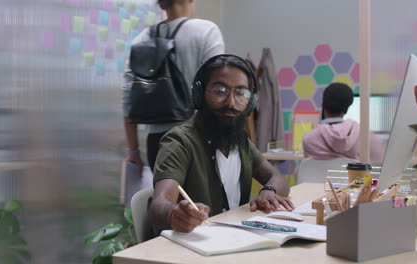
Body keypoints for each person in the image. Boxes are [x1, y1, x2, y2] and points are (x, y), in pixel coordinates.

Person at [149, 54, 294, 234]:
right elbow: (159, 203)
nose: (231, 102)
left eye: (240, 93)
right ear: (199, 95)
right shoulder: (180, 141)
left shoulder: (240, 141)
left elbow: (278, 178)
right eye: (220, 91)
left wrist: (269, 190)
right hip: (192, 249)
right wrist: (173, 213)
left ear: (250, 102)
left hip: (235, 240)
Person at [122, 0, 225, 172]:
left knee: (164, 198)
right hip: (199, 138)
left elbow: (127, 98)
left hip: (157, 142)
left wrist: (134, 151)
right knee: (200, 199)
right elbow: (219, 88)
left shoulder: (142, 39)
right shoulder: (206, 31)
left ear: (161, 5)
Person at [303, 82, 384, 163]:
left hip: (319, 176)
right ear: (347, 108)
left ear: (323, 105)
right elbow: (380, 161)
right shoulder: (364, 135)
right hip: (354, 176)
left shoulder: (308, 139)